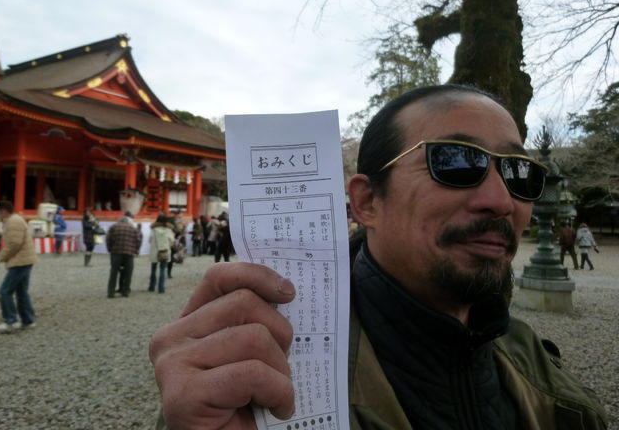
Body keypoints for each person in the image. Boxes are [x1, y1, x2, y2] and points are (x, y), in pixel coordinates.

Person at [148, 85, 608, 429]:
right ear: (367, 202)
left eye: (518, 172)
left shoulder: (531, 359)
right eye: (454, 161)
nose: (501, 200)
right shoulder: (272, 365)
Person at [0, 201, 37, 332]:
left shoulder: (13, 222)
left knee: (5, 291)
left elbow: (14, 244)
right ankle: (28, 320)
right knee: (21, 292)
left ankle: (11, 321)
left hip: (20, 261)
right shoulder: (15, 220)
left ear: (3, 211)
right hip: (25, 260)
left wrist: (0, 257)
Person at [105, 215, 141, 298]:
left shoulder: (113, 227)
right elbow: (138, 241)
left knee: (114, 273)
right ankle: (125, 291)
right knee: (128, 273)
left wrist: (110, 249)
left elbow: (108, 239)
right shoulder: (133, 229)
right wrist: (136, 251)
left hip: (116, 252)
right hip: (129, 253)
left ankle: (111, 292)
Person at [149, 215, 175, 293]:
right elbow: (171, 241)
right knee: (163, 270)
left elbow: (150, 240)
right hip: (165, 251)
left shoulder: (153, 230)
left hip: (155, 251)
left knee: (153, 269)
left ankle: (152, 286)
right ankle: (161, 288)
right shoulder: (168, 230)